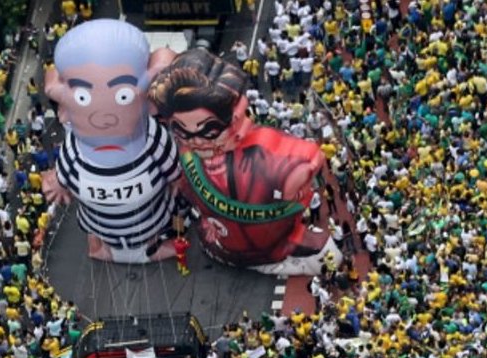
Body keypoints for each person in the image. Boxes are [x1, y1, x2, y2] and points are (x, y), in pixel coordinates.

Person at [149, 49, 343, 275]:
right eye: (181, 130)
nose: (197, 141)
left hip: (269, 246)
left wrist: (293, 178)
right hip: (220, 241)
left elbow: (306, 159)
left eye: (210, 130)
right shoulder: (188, 152)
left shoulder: (264, 157)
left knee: (325, 253)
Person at [42, 19, 182, 263]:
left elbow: (173, 169)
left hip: (149, 216)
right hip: (100, 218)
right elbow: (174, 171)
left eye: (123, 95)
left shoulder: (151, 140)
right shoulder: (75, 150)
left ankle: (142, 244)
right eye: (83, 97)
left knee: (151, 222)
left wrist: (179, 180)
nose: (104, 118)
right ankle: (101, 243)